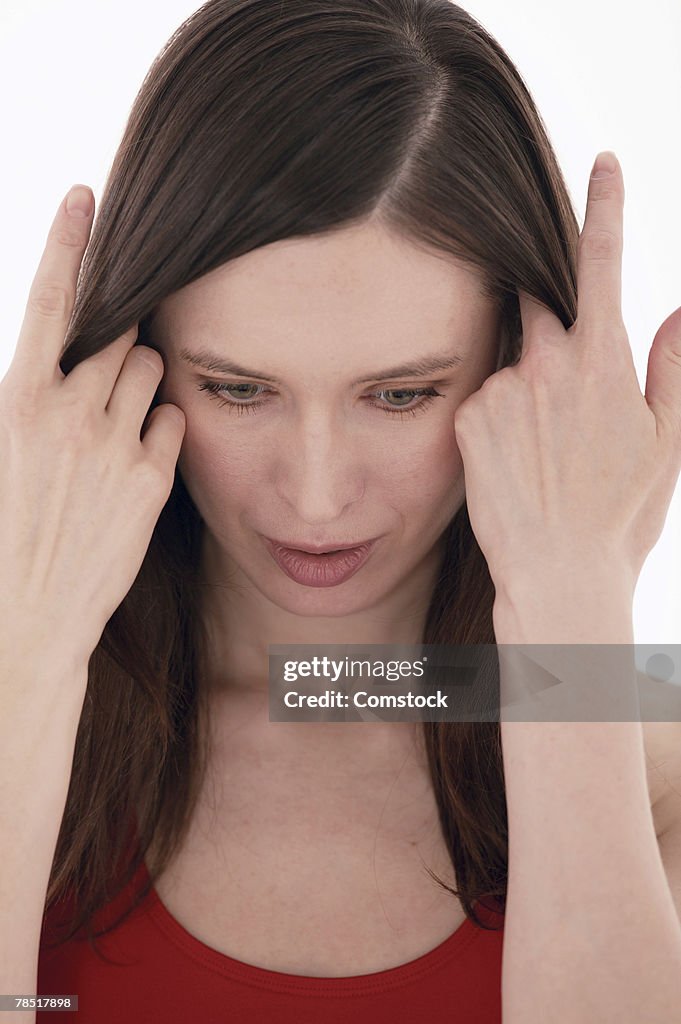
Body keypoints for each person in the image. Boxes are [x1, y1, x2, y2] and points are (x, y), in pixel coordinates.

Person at [2, 2, 680, 1022]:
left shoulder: (657, 775)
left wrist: (574, 602)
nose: (316, 498)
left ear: (520, 375)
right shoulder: (30, 706)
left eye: (402, 395)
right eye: (238, 388)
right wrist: (27, 642)